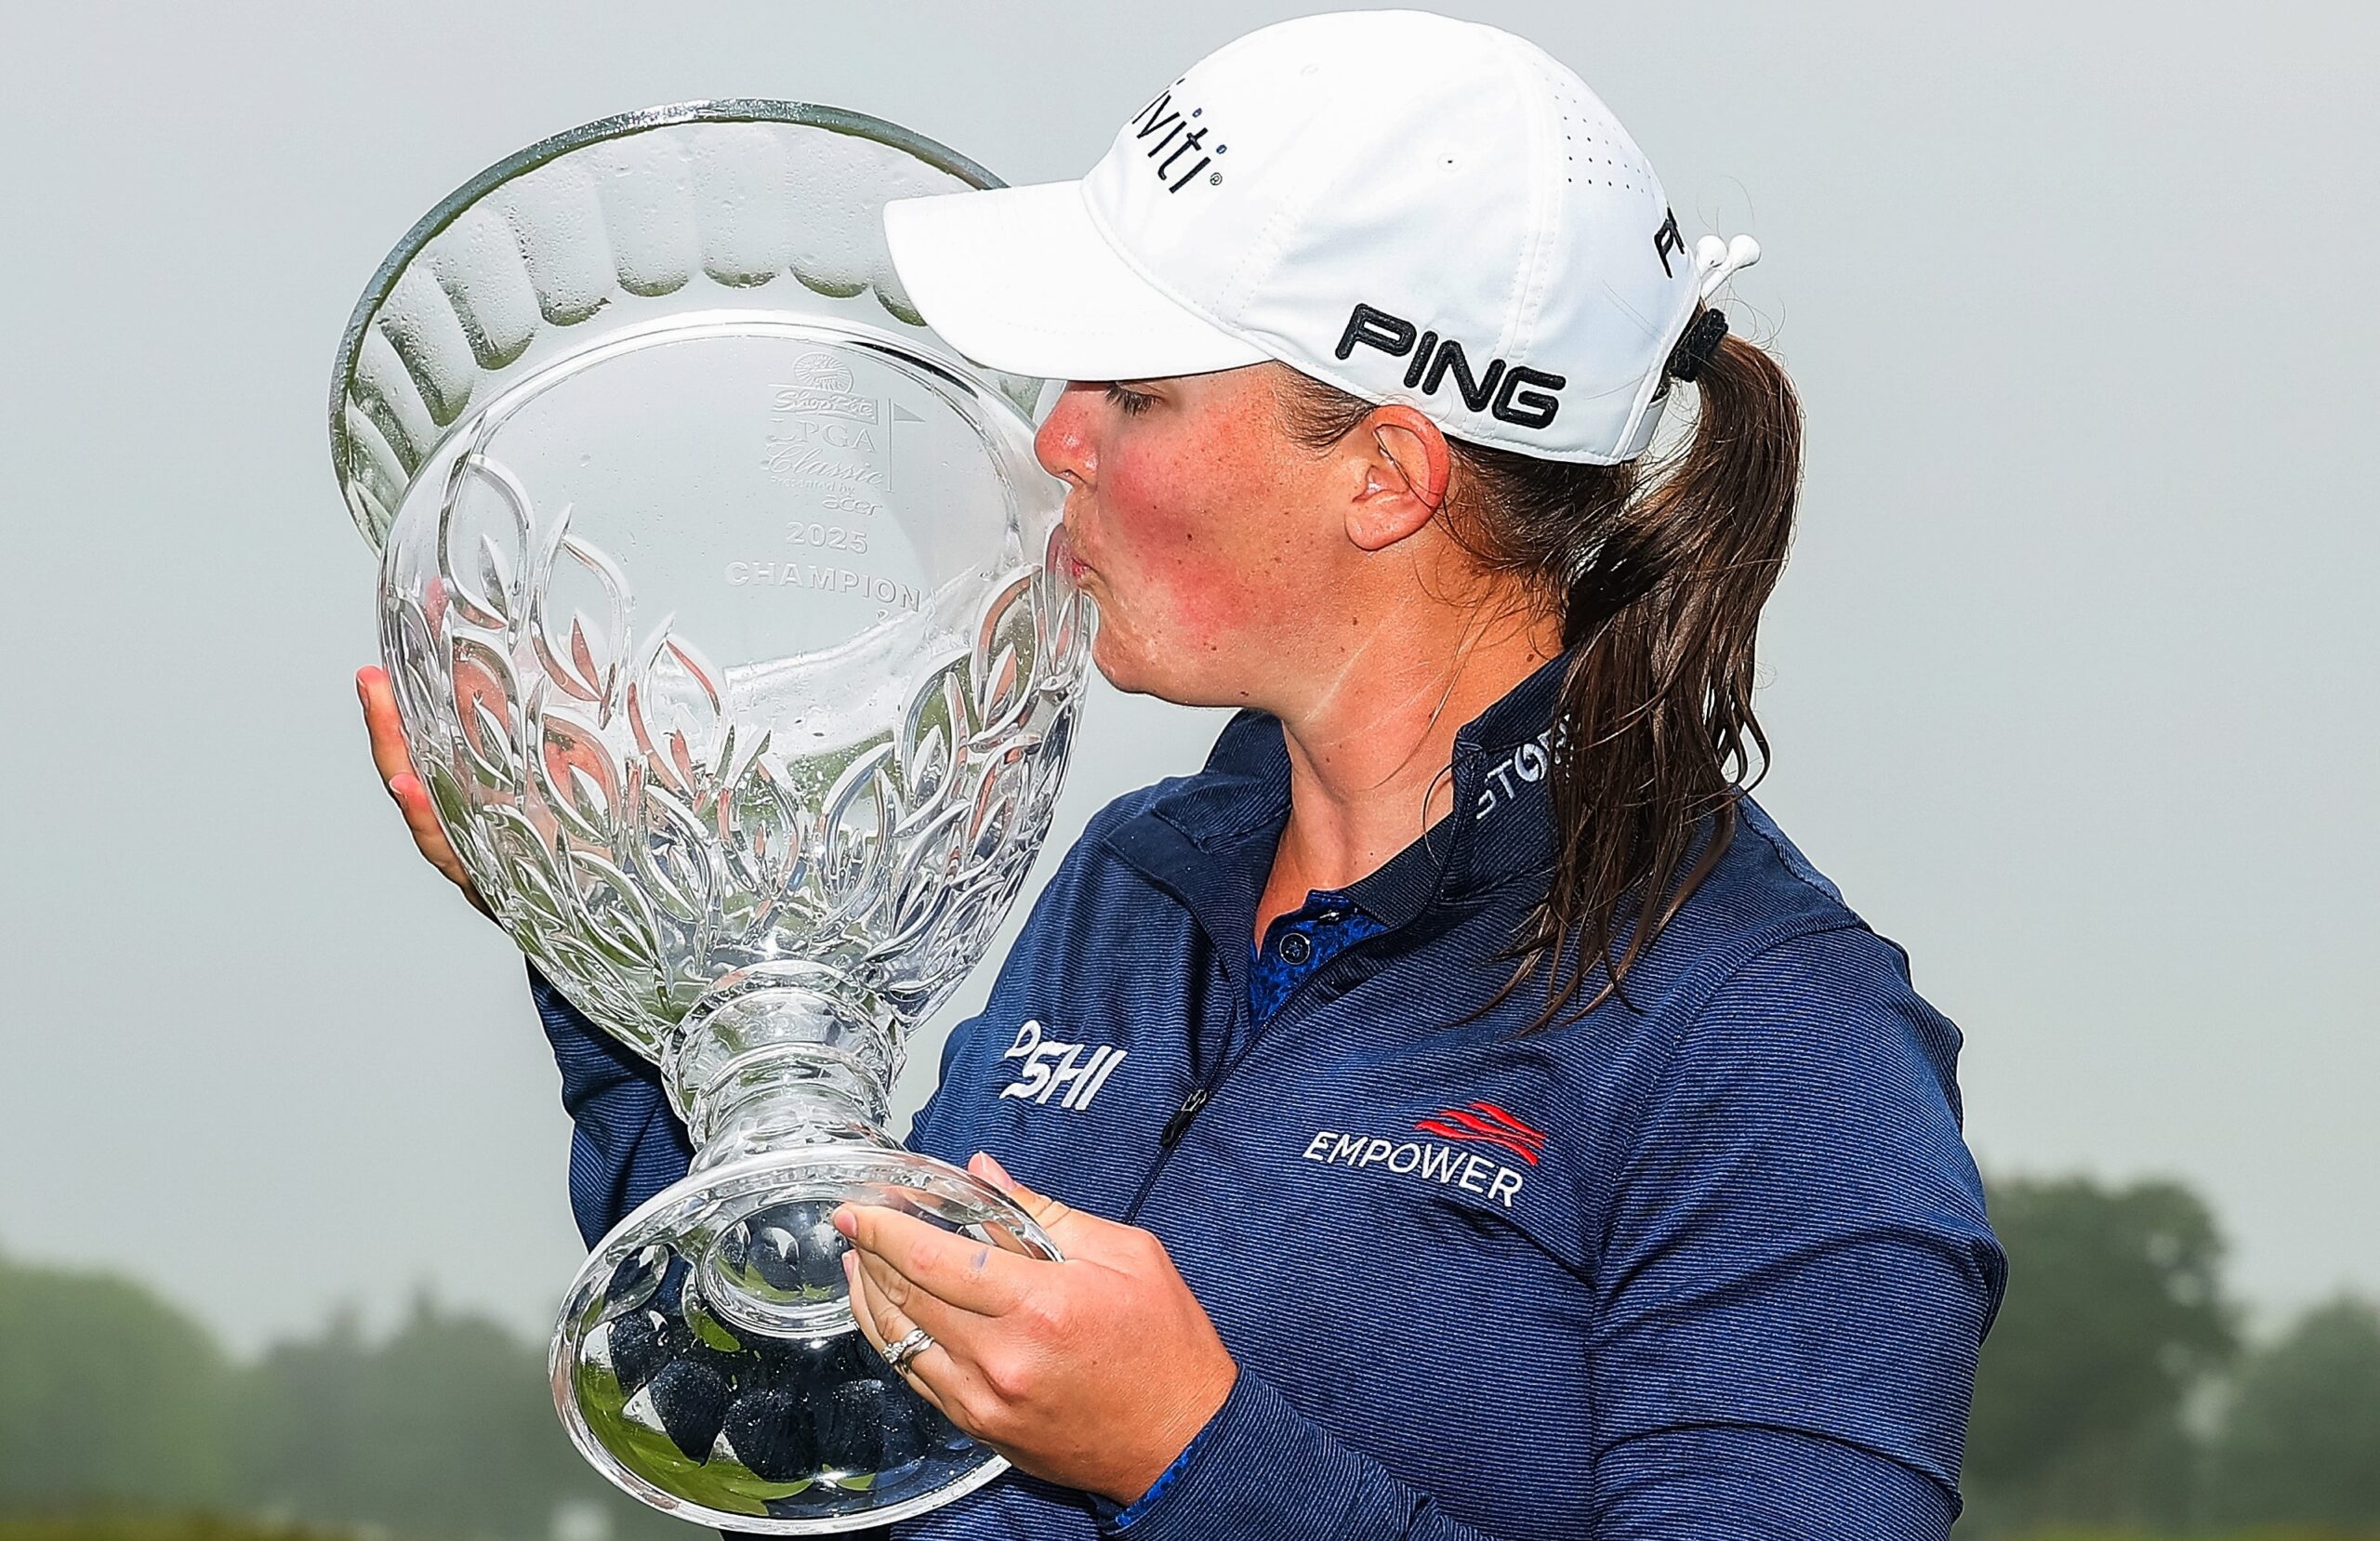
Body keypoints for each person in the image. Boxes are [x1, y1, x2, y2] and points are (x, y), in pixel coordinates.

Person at [358, 11, 2005, 1537]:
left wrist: (1193, 1448)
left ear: (1385, 475)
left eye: (1133, 392)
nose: (1057, 439)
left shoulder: (1777, 1040)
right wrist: (631, 944)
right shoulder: (1137, 882)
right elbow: (837, 1438)